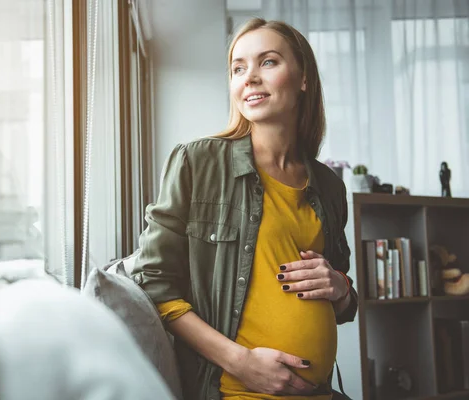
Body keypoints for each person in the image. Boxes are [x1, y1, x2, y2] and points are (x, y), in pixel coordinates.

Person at [131, 17, 358, 400]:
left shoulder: (329, 185)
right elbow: (153, 281)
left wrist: (341, 287)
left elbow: (344, 305)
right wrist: (241, 363)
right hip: (236, 391)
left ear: (303, 78)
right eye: (238, 68)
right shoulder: (197, 162)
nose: (249, 77)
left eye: (267, 62)